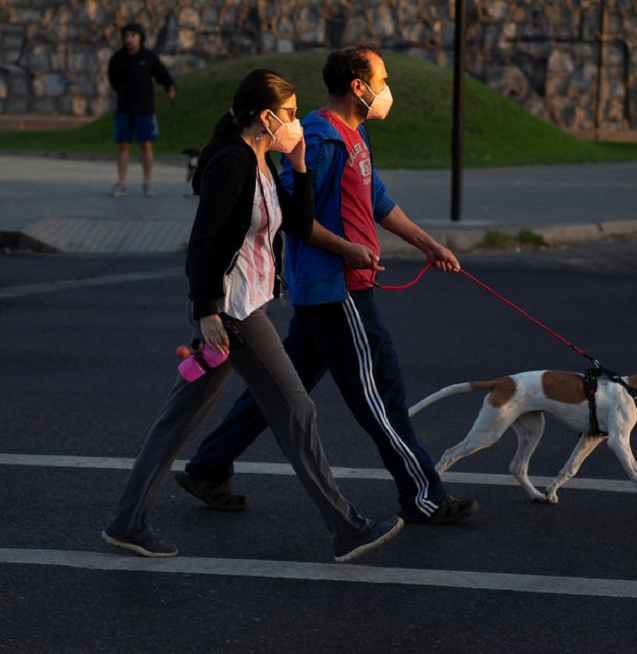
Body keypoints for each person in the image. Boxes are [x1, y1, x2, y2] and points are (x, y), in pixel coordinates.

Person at [101, 68, 403, 563]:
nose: (296, 122)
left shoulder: (262, 159)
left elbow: (300, 223)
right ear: (265, 117)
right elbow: (203, 242)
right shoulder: (232, 163)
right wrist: (206, 313)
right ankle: (347, 528)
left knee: (179, 419)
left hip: (241, 306)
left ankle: (125, 522)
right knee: (296, 408)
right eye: (289, 115)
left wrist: (301, 165)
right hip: (233, 313)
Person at [175, 44, 478, 525]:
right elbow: (296, 215)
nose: (386, 91)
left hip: (331, 291)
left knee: (277, 391)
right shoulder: (319, 136)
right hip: (336, 289)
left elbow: (376, 197)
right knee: (380, 391)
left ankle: (208, 467)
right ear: (358, 87)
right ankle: (425, 495)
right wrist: (348, 250)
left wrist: (428, 244)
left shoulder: (355, 136)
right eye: (381, 81)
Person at [107, 22, 176, 198]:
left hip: (145, 109)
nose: (129, 40)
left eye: (133, 36)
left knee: (146, 145)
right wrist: (122, 91)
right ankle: (121, 183)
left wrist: (169, 87)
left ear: (140, 37)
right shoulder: (118, 58)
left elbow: (163, 74)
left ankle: (147, 183)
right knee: (123, 145)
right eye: (126, 36)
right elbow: (112, 77)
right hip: (124, 109)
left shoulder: (149, 57)